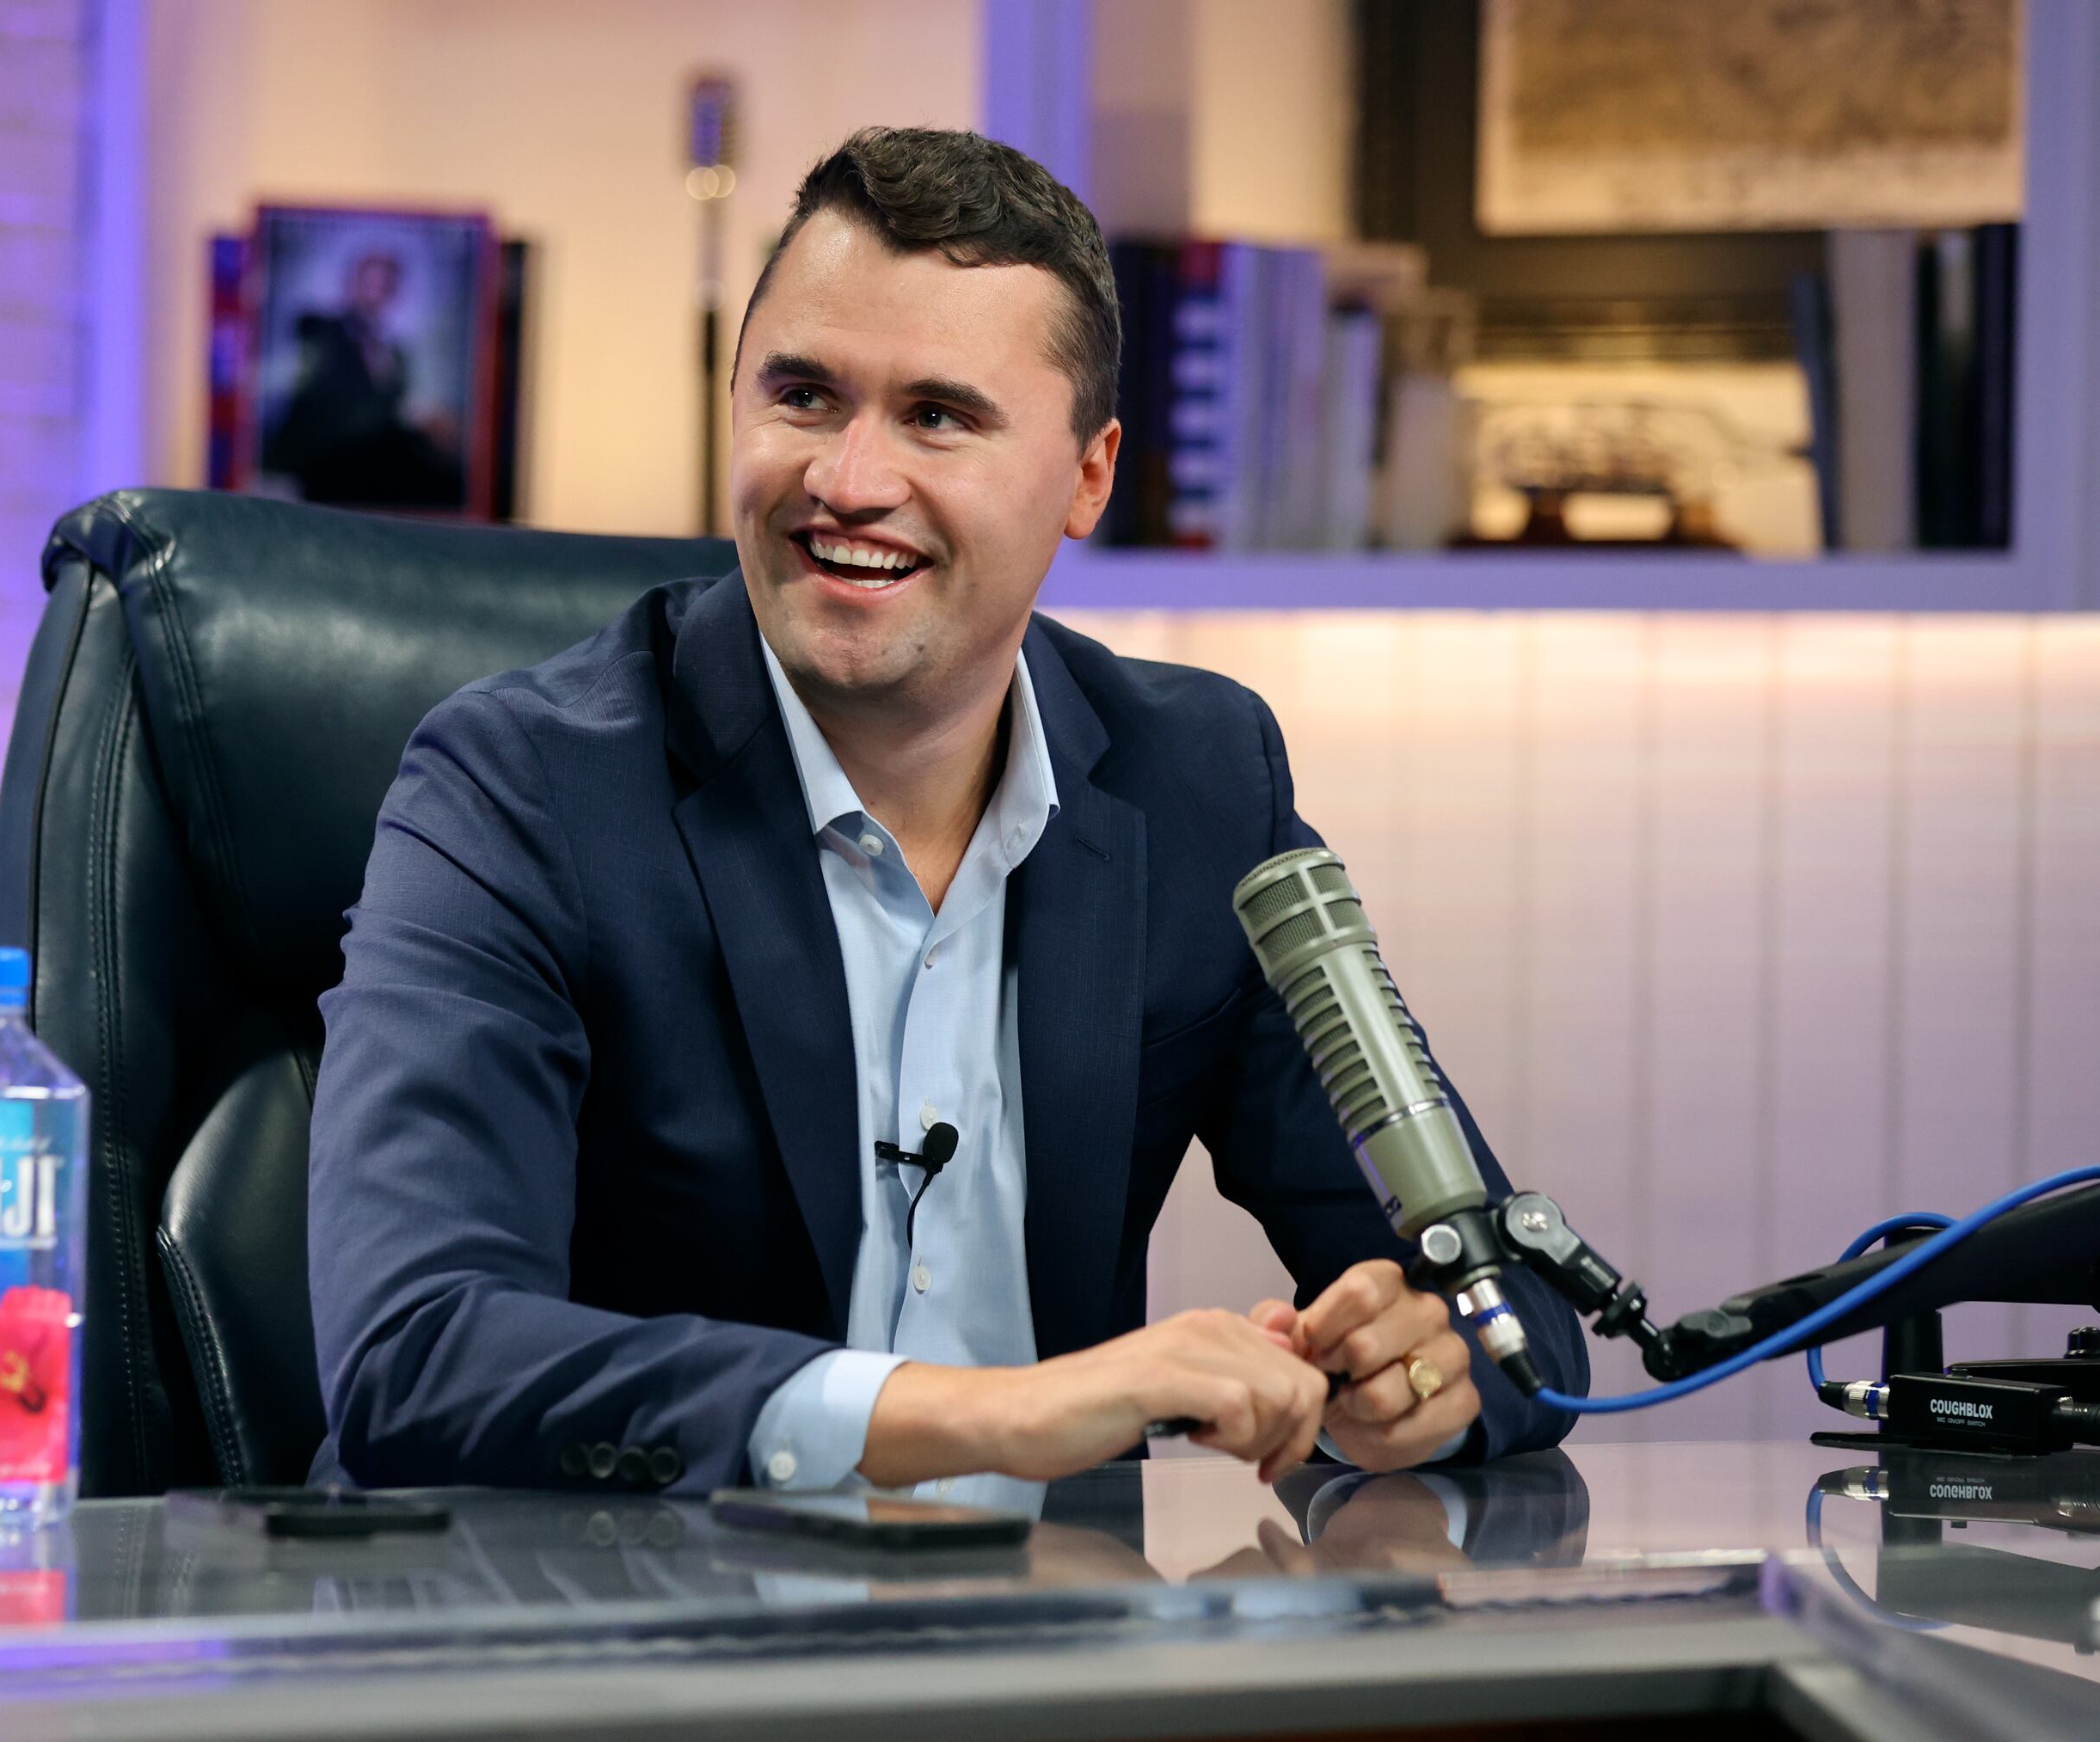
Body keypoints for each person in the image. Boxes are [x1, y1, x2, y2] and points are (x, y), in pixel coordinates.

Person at [306, 128, 1586, 1501]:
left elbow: (1507, 1307)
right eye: (803, 395)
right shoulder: (519, 788)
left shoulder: (1200, 782)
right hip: (615, 1656)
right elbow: (418, 1356)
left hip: (1039, 1661)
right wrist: (989, 1415)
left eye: (938, 415)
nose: (850, 481)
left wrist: (1423, 1376)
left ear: (1088, 475)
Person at [262, 250, 464, 510]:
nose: (375, 294)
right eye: (369, 284)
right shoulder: (320, 330)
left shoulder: (395, 353)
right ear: (352, 284)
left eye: (385, 286)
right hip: (323, 465)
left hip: (369, 471)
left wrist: (426, 422)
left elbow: (391, 409)